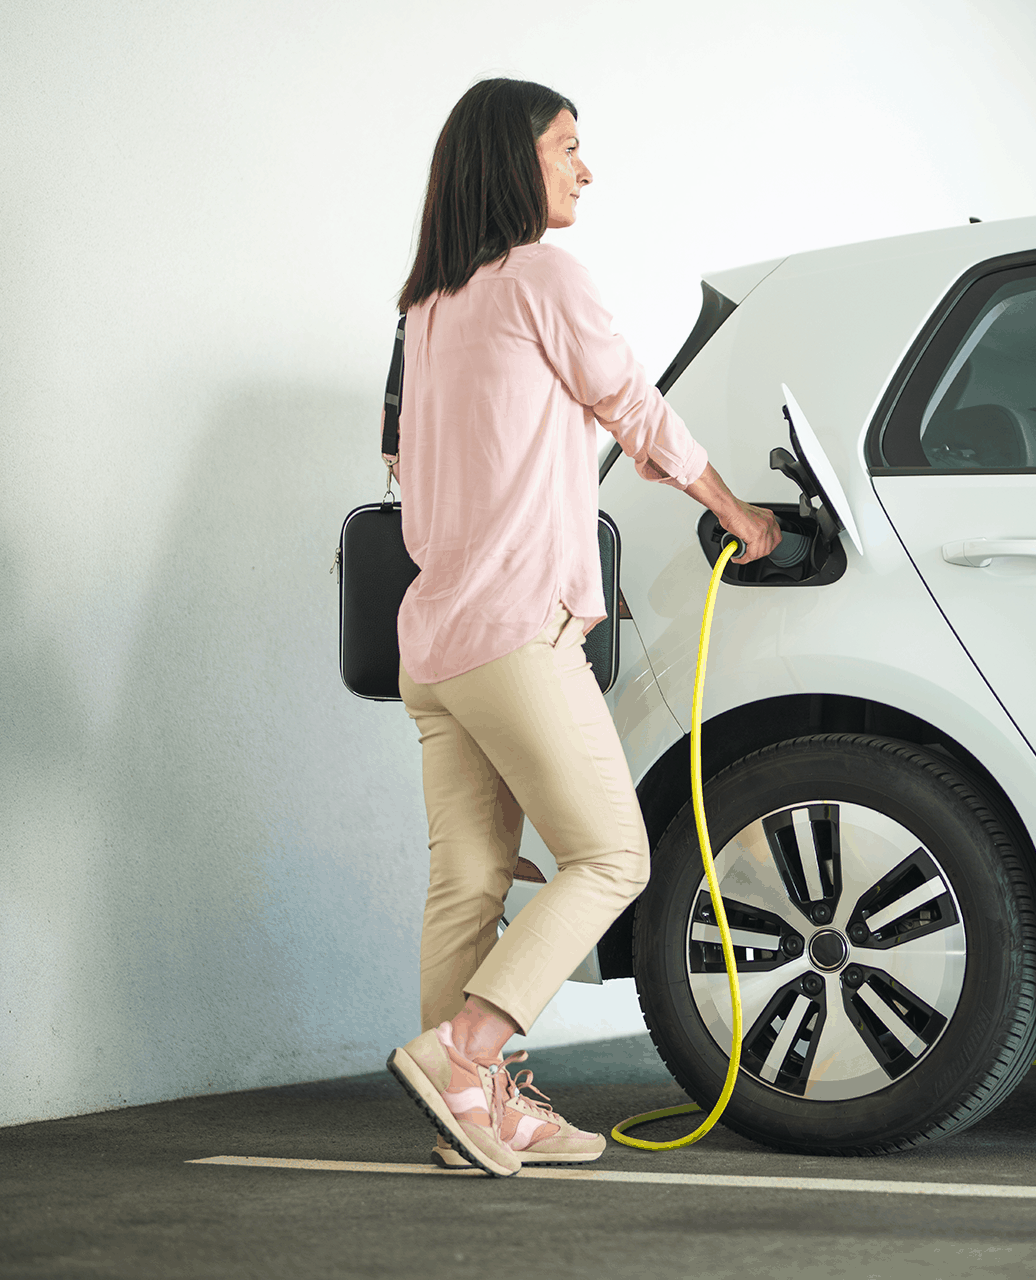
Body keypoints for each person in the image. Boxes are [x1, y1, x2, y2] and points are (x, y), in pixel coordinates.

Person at [383, 78, 781, 1177]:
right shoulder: (542, 277)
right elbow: (633, 406)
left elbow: (409, 476)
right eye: (568, 148)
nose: (584, 168)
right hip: (515, 631)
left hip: (436, 644)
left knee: (467, 881)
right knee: (613, 855)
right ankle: (468, 1052)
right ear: (515, 162)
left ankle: (477, 1114)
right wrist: (736, 510)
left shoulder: (430, 308)